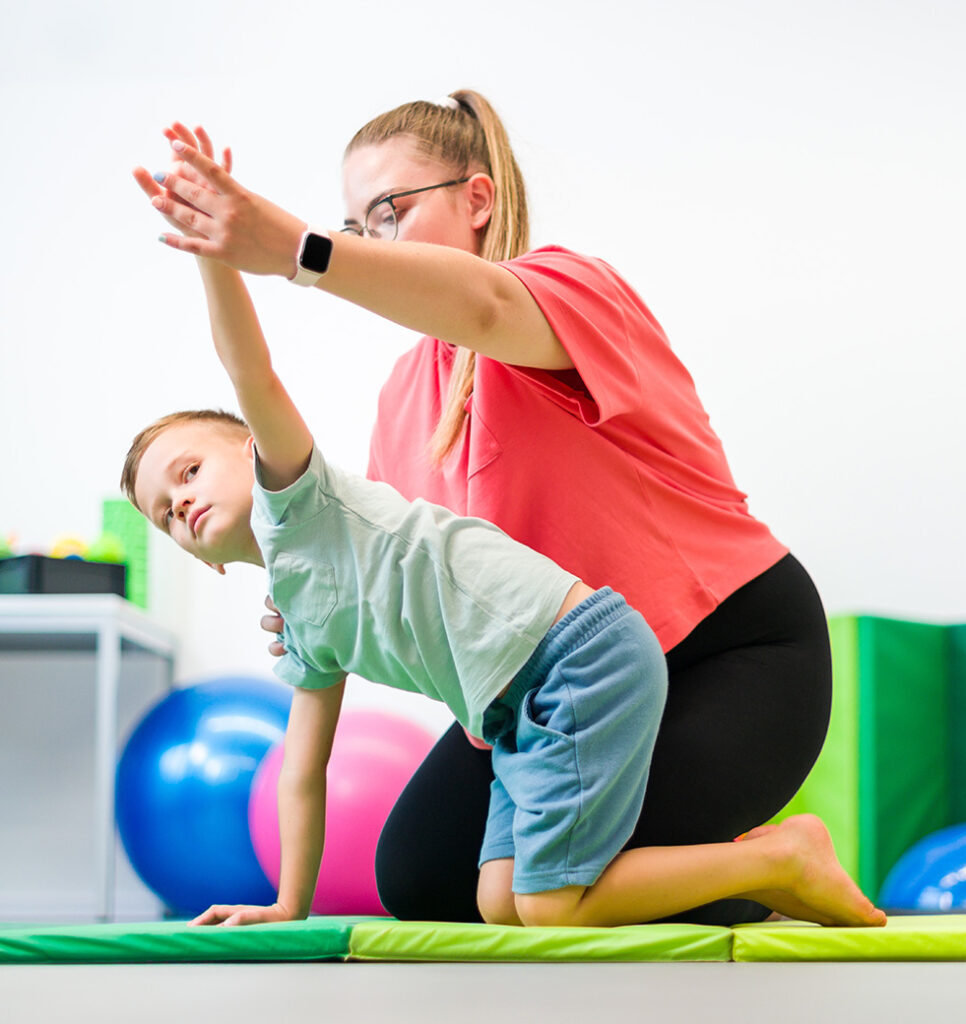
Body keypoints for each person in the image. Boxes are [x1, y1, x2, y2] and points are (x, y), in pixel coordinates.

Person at [133, 93, 843, 927]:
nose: (373, 242)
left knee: (551, 885)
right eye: (359, 228)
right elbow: (416, 575)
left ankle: (774, 857)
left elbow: (483, 308)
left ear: (478, 199)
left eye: (390, 212)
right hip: (550, 689)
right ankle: (719, 878)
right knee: (425, 880)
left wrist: (297, 250)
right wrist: (317, 599)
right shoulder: (402, 398)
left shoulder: (565, 289)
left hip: (726, 651)